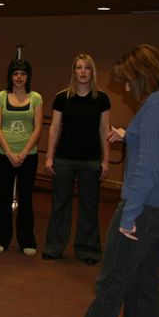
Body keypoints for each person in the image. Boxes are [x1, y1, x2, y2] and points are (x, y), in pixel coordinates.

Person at [51, 44, 159, 317]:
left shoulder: (157, 103)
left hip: (146, 209)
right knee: (143, 285)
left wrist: (129, 215)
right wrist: (130, 134)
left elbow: (148, 167)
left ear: (142, 74)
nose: (127, 88)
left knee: (110, 286)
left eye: (129, 81)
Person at [42, 54, 110, 265]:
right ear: (73, 71)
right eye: (78, 68)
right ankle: (54, 247)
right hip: (64, 159)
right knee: (60, 205)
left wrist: (105, 160)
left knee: (89, 206)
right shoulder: (62, 98)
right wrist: (49, 157)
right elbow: (54, 128)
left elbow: (104, 130)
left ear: (92, 72)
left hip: (90, 160)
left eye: (86, 68)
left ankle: (88, 250)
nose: (82, 72)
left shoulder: (101, 99)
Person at [0, 59, 42, 256]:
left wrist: (23, 152)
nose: (19, 77)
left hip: (28, 156)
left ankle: (27, 240)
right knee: (4, 197)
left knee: (26, 198)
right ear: (10, 76)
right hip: (5, 155)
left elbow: (37, 128)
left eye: (23, 73)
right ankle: (1, 239)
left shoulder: (36, 97)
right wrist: (10, 153)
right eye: (15, 73)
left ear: (28, 76)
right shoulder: (0, 97)